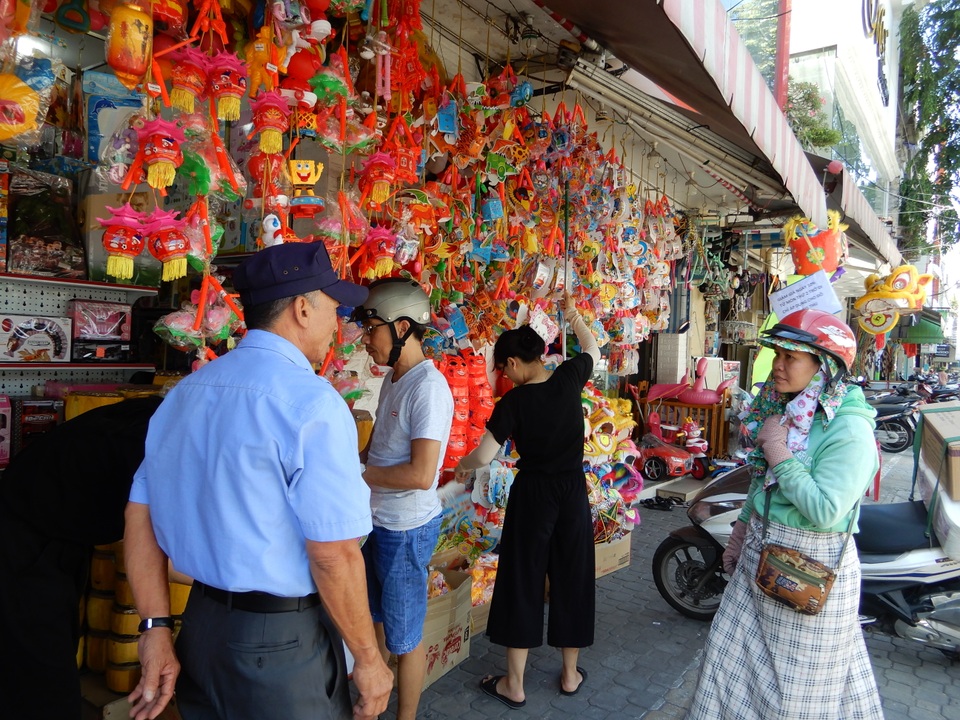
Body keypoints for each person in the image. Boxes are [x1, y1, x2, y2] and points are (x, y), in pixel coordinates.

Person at [124, 242, 393, 720]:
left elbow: (139, 513)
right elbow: (333, 553)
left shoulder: (184, 394)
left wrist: (155, 627)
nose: (339, 322)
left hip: (201, 627)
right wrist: (370, 660)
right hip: (280, 646)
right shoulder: (312, 405)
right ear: (302, 308)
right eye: (334, 307)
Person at [688, 309, 883, 719]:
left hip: (807, 574)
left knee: (793, 697)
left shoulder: (849, 430)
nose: (777, 365)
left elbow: (826, 510)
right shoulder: (790, 411)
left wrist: (778, 451)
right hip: (759, 561)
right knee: (727, 664)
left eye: (789, 357)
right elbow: (763, 483)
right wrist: (741, 531)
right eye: (776, 353)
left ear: (824, 367)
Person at [454, 294, 601, 709]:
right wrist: (573, 317)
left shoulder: (513, 402)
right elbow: (593, 348)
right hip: (572, 492)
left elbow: (484, 455)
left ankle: (513, 684)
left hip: (533, 494)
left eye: (501, 368)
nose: (502, 375)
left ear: (514, 364)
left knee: (522, 579)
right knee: (572, 576)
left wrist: (462, 466)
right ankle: (570, 674)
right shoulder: (570, 376)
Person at [0, 396, 162, 720]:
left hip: (58, 533)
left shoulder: (162, 415)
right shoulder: (159, 440)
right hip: (21, 538)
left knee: (49, 657)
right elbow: (165, 555)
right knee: (41, 680)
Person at [349, 278, 454, 720]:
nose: (365, 339)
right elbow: (380, 450)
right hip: (378, 521)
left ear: (403, 327)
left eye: (371, 327)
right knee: (375, 619)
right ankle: (373, 699)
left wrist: (356, 473)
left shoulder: (428, 388)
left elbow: (421, 473)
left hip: (406, 528)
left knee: (405, 636)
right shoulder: (396, 377)